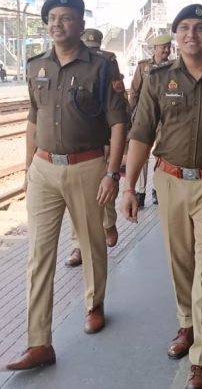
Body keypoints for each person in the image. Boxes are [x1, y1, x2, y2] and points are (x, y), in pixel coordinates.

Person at [120, 4, 202, 389]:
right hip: (170, 181)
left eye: (199, 27)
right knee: (180, 263)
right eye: (184, 28)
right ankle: (187, 324)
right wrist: (129, 187)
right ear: (176, 35)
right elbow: (141, 134)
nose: (191, 34)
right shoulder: (158, 78)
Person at [6, 0, 128, 371]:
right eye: (52, 18)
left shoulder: (102, 67)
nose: (57, 24)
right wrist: (27, 168)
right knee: (38, 255)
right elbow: (32, 118)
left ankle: (94, 304)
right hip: (43, 169)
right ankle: (39, 342)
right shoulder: (36, 66)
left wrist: (112, 173)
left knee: (91, 243)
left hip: (87, 166)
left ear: (80, 23)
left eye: (66, 18)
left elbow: (118, 123)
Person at [61, 28, 124, 268]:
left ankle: (108, 224)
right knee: (74, 199)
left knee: (104, 189)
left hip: (104, 140)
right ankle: (78, 244)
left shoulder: (107, 63)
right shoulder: (69, 65)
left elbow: (120, 108)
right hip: (78, 144)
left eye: (94, 48)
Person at [129, 33, 173, 209]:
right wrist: (134, 114)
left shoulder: (173, 67)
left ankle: (156, 188)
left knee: (161, 153)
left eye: (168, 47)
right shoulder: (143, 67)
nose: (166, 50)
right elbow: (134, 91)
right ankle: (140, 192)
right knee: (143, 153)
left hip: (164, 118)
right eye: (163, 47)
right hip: (145, 116)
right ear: (155, 48)